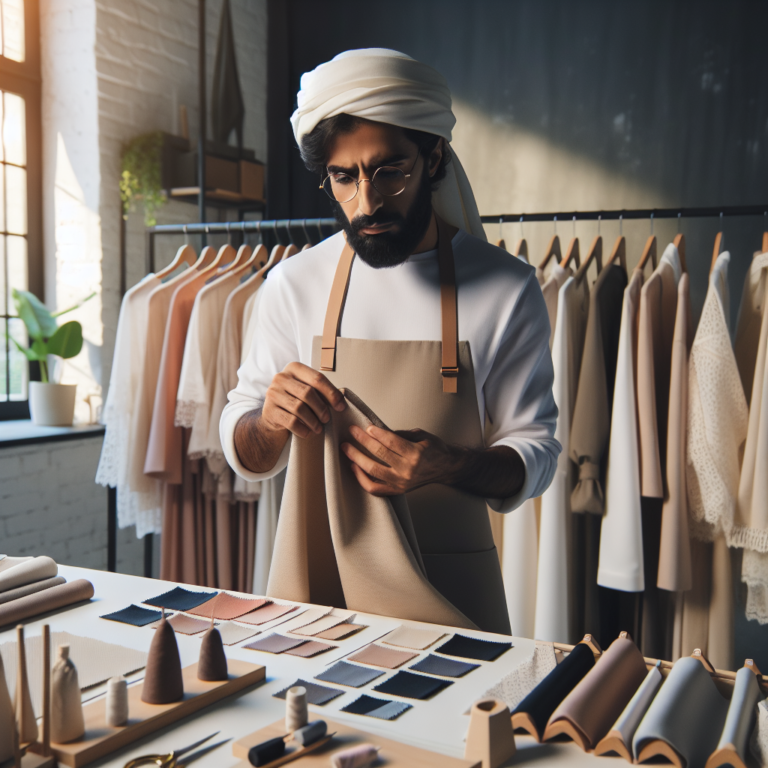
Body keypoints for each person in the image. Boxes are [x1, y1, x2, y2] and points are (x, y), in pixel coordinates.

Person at [221, 49, 559, 634]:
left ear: (433, 158)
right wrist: (270, 421)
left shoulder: (506, 288)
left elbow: (537, 455)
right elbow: (251, 456)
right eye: (344, 177)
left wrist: (447, 463)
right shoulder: (294, 284)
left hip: (451, 593)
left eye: (389, 171)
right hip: (321, 593)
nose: (366, 202)